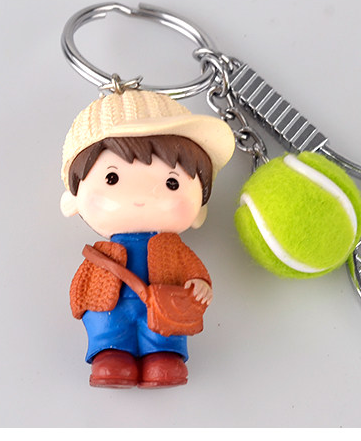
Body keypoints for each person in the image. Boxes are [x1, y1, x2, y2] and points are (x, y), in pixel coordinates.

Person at [59, 89, 235, 388]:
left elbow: (194, 272)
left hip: (162, 307)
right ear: (73, 200)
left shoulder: (174, 249)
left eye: (171, 183)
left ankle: (163, 357)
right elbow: (84, 282)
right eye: (112, 178)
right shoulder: (103, 252)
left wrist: (199, 284)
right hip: (110, 306)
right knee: (108, 329)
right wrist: (83, 299)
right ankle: (110, 354)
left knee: (164, 333)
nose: (141, 195)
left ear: (199, 211)